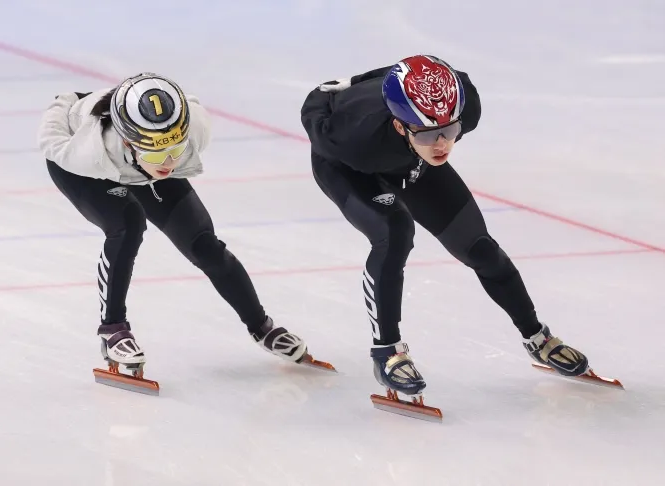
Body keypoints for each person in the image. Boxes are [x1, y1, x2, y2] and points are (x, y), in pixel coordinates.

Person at [300, 55, 589, 403]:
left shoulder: (464, 105)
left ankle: (537, 338)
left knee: (480, 247)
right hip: (349, 167)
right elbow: (314, 107)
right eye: (430, 133)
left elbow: (434, 71)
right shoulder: (349, 136)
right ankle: (387, 352)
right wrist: (333, 88)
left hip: (411, 161)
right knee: (395, 232)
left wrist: (373, 77)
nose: (443, 144)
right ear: (399, 125)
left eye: (450, 131)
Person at [37, 72, 332, 386]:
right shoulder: (89, 153)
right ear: (128, 142)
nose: (168, 163)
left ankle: (262, 327)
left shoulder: (192, 132)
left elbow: (185, 106)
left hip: (135, 147)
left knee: (204, 245)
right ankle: (112, 330)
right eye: (157, 154)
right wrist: (66, 101)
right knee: (127, 226)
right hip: (87, 169)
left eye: (176, 151)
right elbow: (49, 140)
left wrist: (161, 153)